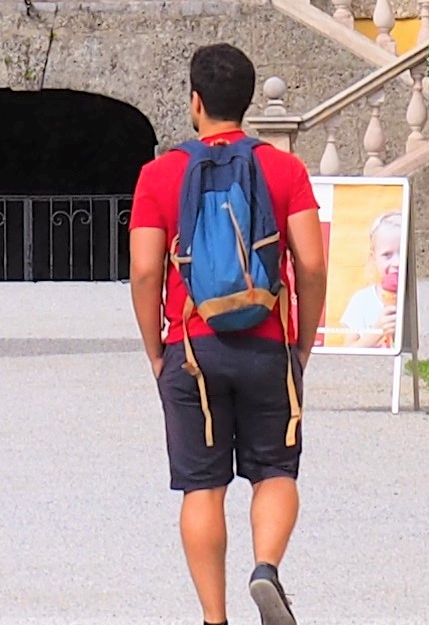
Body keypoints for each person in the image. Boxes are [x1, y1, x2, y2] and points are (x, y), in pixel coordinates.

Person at [126, 40, 331, 625]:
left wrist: (156, 351)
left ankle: (214, 620)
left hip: (192, 348)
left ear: (195, 102)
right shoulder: (283, 169)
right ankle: (265, 569)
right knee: (274, 472)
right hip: (267, 344)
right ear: (247, 102)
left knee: (202, 487)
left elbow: (145, 270)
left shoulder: (160, 174)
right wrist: (301, 344)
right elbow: (312, 265)